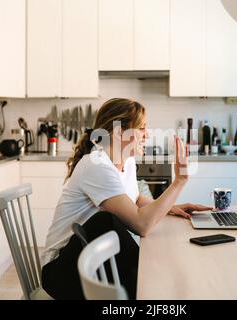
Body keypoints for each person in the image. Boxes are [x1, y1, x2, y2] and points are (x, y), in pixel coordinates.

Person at [41, 98, 211, 299]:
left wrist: (172, 207)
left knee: (114, 230)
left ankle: (148, 285)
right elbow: (141, 225)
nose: (147, 135)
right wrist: (180, 181)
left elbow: (136, 199)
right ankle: (151, 284)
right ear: (120, 132)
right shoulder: (96, 165)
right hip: (62, 270)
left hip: (94, 262)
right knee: (105, 221)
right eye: (142, 129)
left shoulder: (126, 161)